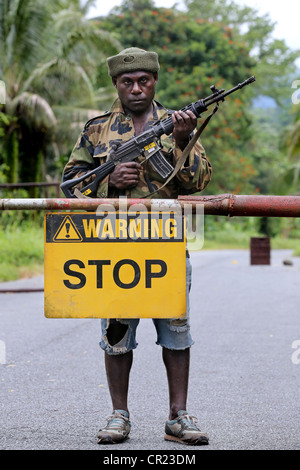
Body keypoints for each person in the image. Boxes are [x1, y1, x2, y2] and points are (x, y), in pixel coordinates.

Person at [62, 47, 212, 446]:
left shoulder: (178, 122)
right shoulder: (96, 130)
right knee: (116, 333)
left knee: (176, 331)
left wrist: (182, 142)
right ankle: (118, 414)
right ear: (116, 84)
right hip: (115, 246)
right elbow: (70, 187)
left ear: (154, 81)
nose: (136, 88)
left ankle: (178, 416)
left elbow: (199, 182)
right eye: (127, 82)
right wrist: (110, 182)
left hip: (165, 243)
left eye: (143, 80)